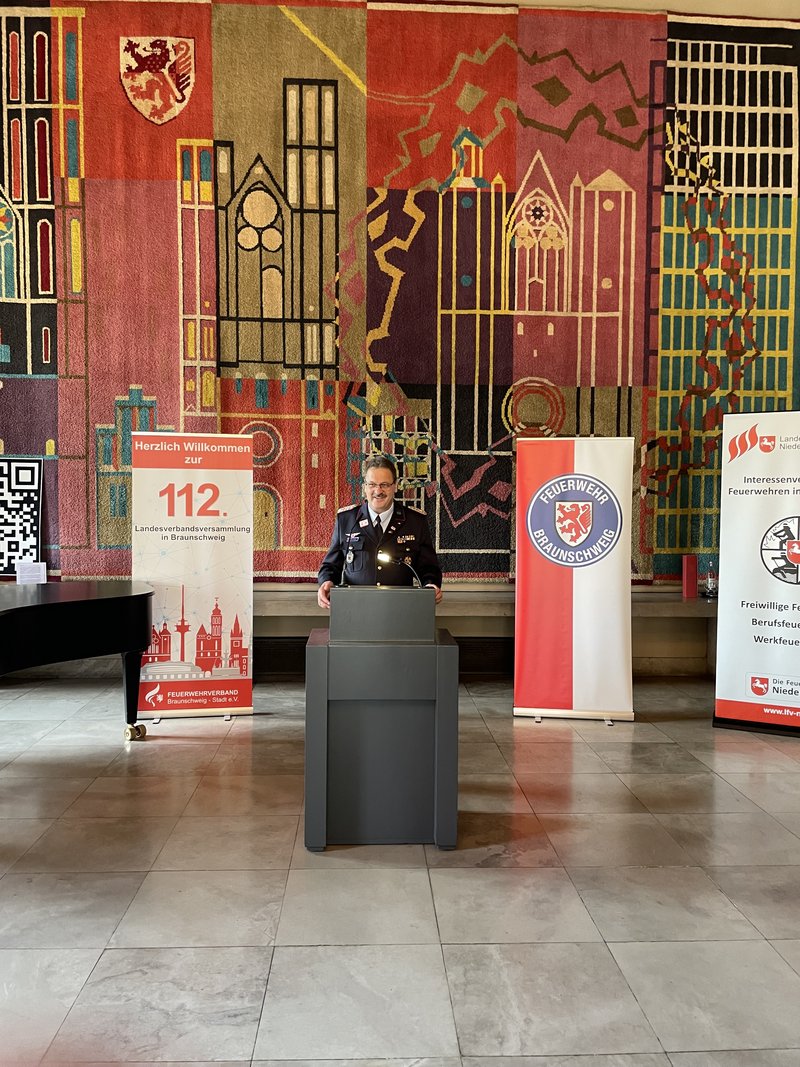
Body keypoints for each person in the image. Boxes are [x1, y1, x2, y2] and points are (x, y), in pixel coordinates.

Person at [317, 455, 443, 609]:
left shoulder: (415, 521)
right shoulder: (346, 520)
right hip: (355, 609)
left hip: (401, 609)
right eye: (372, 484)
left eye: (384, 485)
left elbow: (429, 568)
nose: (378, 491)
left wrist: (431, 585)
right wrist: (326, 582)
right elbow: (330, 566)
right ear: (365, 487)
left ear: (395, 486)